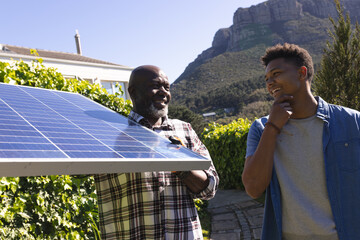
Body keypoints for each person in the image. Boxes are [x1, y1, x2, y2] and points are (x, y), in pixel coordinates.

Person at [242, 43, 360, 240]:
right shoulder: (261, 128)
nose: (270, 82)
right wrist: (273, 127)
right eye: (267, 78)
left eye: (276, 73)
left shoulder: (352, 122)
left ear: (301, 73)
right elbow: (253, 188)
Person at [94, 65, 219, 240]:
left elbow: (210, 188)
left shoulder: (185, 130)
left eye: (166, 87)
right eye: (155, 86)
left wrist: (182, 165)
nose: (163, 92)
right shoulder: (108, 134)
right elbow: (76, 171)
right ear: (133, 92)